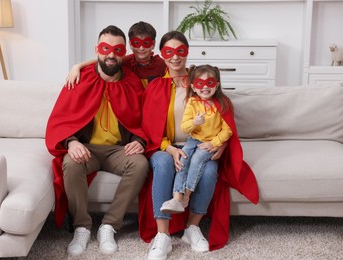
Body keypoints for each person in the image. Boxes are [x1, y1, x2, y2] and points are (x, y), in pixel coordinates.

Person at [140, 31, 259, 259]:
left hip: (202, 145)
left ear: (187, 52)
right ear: (161, 55)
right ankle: (162, 235)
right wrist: (170, 149)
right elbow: (149, 128)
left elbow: (224, 120)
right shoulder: (155, 86)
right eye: (169, 52)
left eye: (180, 51)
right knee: (164, 165)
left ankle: (192, 227)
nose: (175, 58)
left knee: (210, 170)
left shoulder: (200, 83)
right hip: (166, 147)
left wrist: (220, 146)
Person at [45, 25, 149, 257]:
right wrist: (71, 142)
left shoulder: (132, 82)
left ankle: (109, 225)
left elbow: (145, 118)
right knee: (71, 164)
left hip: (118, 150)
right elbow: (60, 118)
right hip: (87, 148)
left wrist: (141, 140)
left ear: (124, 53)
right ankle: (81, 227)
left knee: (140, 163)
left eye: (117, 49)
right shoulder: (80, 78)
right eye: (105, 48)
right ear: (97, 50)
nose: (111, 54)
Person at [160, 64, 233, 215]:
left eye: (210, 83)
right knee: (183, 159)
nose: (205, 87)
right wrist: (195, 122)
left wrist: (214, 143)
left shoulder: (223, 103)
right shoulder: (192, 103)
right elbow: (185, 127)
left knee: (197, 159)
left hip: (209, 143)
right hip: (192, 140)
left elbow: (228, 129)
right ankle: (177, 197)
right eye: (200, 83)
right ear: (193, 86)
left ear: (217, 84)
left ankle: (186, 196)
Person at [66, 21, 166, 89]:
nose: (141, 48)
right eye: (136, 43)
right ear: (130, 44)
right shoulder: (125, 61)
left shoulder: (161, 64)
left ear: (153, 44)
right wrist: (77, 66)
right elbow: (104, 60)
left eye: (146, 43)